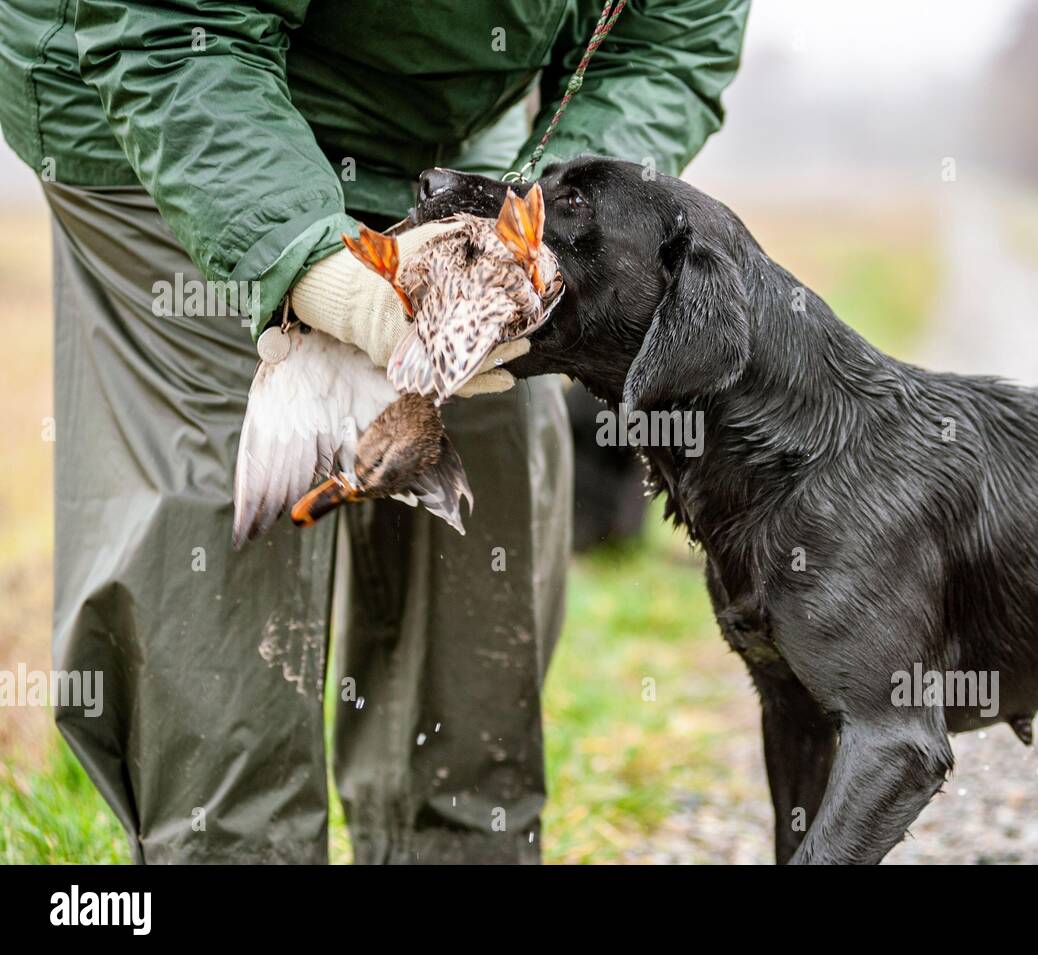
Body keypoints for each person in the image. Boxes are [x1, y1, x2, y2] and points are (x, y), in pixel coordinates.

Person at [0, 0, 749, 863]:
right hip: (168, 85)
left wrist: (542, 238)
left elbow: (666, 40)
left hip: (429, 113)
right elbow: (163, 28)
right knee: (229, 519)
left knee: (488, 484)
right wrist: (309, 270)